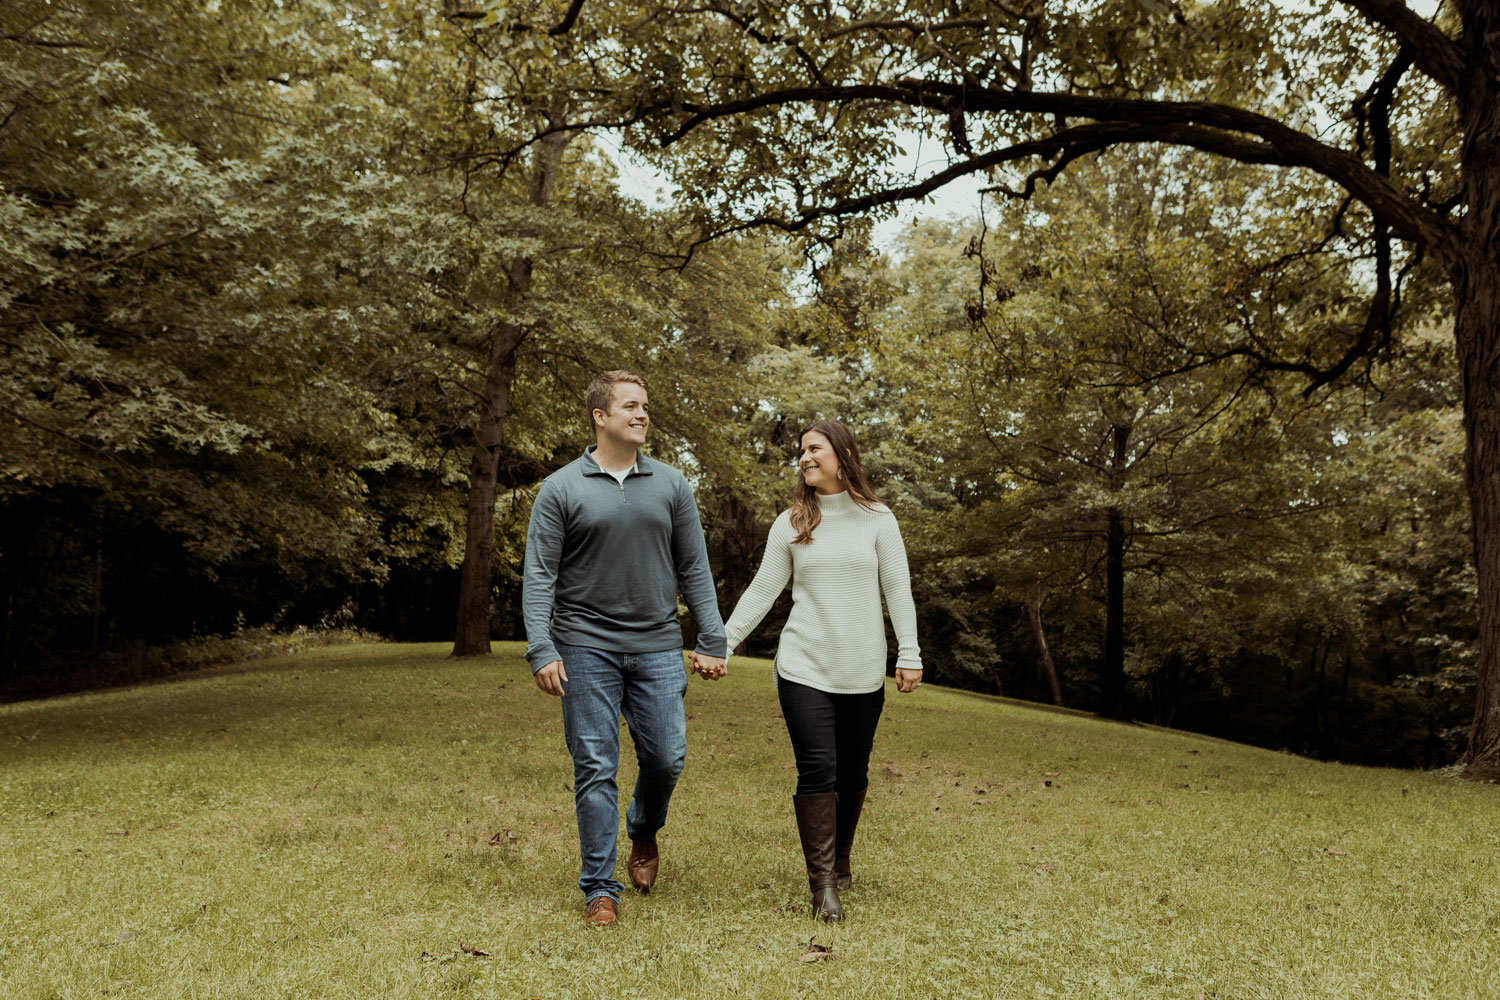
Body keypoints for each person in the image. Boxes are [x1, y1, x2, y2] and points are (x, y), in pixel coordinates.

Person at [522, 369, 728, 928]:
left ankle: (643, 828)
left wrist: (713, 637)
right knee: (595, 765)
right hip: (584, 645)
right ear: (600, 416)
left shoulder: (671, 485)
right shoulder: (562, 487)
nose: (642, 414)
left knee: (666, 757)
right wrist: (541, 647)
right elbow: (540, 574)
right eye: (631, 406)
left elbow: (694, 567)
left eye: (645, 407)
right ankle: (599, 889)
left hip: (658, 644)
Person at [722, 419, 922, 921]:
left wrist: (910, 652)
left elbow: (898, 591)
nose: (805, 457)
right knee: (818, 769)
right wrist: (721, 643)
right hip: (803, 665)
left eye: (815, 448)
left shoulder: (879, 519)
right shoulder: (791, 522)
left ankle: (841, 858)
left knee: (853, 771)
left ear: (843, 453)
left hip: (861, 669)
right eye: (801, 451)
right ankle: (823, 885)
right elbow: (763, 592)